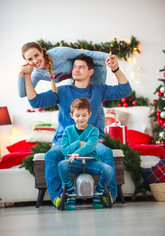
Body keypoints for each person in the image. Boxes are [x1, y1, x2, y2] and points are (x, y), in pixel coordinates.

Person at [21, 53, 132, 209]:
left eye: (81, 67)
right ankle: (59, 197)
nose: (76, 70)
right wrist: (26, 75)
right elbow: (35, 101)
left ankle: (109, 195)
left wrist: (115, 69)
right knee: (51, 155)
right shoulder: (62, 91)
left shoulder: (98, 90)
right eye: (74, 67)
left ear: (90, 71)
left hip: (92, 140)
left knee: (106, 153)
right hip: (63, 140)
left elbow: (125, 90)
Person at [18, 42, 109, 137]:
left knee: (96, 100)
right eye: (30, 59)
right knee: (74, 103)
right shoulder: (37, 74)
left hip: (96, 64)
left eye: (36, 55)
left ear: (41, 52)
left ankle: (100, 136)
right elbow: (22, 94)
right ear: (26, 62)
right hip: (74, 75)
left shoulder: (59, 54)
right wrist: (21, 74)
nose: (35, 60)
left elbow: (88, 53)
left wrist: (108, 57)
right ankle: (75, 136)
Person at [59, 97, 114, 210]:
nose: (81, 118)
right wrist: (78, 143)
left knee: (108, 169)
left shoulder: (93, 131)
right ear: (72, 115)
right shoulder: (67, 131)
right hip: (73, 163)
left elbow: (91, 146)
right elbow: (64, 150)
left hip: (91, 162)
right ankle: (70, 192)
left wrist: (76, 153)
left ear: (90, 114)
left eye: (84, 115)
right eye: (77, 115)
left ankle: (99, 192)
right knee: (61, 165)